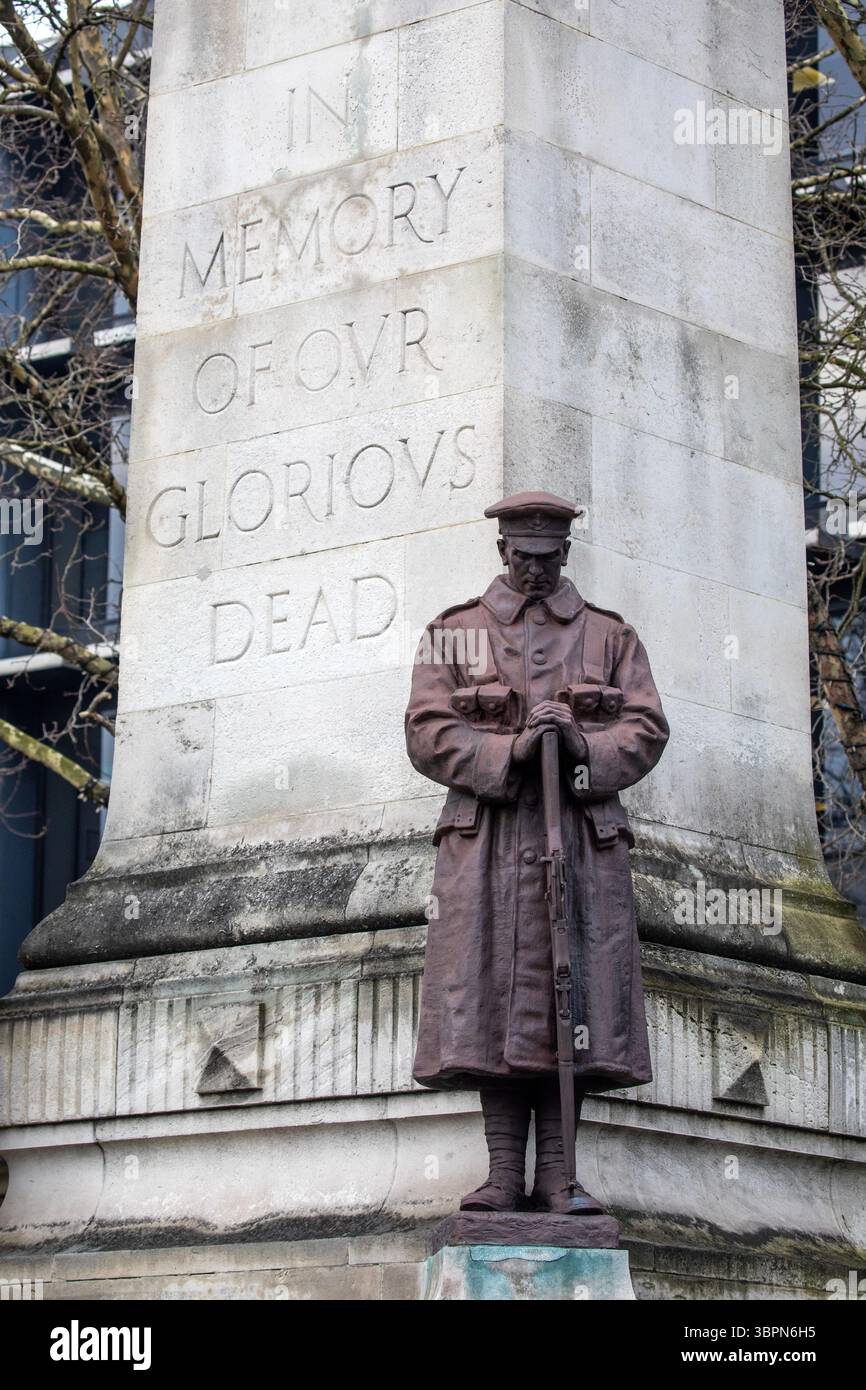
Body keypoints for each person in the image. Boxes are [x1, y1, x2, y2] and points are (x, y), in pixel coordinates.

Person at [404, 491, 670, 1213]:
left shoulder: (611, 637)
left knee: (574, 998)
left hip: (580, 845)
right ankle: (500, 1173)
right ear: (502, 553)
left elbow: (645, 728)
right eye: (523, 558)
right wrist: (510, 748)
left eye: (548, 559)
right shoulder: (453, 633)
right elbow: (427, 731)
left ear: (565, 555)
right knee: (489, 1007)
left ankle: (559, 1173)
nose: (535, 572)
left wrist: (582, 744)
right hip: (487, 847)